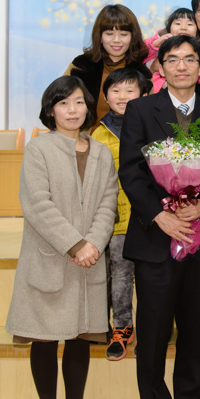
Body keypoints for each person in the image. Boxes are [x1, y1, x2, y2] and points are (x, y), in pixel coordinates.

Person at [118, 35, 200, 399]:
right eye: (173, 59)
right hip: (156, 239)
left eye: (190, 59)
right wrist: (160, 215)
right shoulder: (141, 109)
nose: (182, 66)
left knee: (196, 330)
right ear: (159, 68)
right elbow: (131, 170)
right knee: (154, 331)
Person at [5, 76, 118, 399]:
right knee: (46, 338)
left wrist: (93, 244)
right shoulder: (39, 149)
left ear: (88, 107)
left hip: (89, 260)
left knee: (80, 339)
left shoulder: (101, 151)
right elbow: (37, 205)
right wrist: (75, 244)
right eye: (63, 103)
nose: (72, 110)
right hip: (51, 258)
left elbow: (108, 203)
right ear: (51, 110)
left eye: (79, 102)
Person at [90, 67, 151, 362]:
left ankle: (150, 329)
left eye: (130, 90)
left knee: (150, 278)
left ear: (144, 94)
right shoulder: (98, 134)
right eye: (115, 90)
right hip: (115, 220)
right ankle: (122, 327)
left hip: (150, 217)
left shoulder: (153, 126)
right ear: (105, 97)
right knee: (121, 276)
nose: (122, 96)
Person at [66, 4, 152, 123]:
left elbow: (148, 115)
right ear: (100, 36)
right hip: (83, 134)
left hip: (127, 134)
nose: (116, 40)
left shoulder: (141, 73)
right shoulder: (81, 66)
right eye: (109, 34)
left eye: (123, 34)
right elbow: (60, 101)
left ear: (133, 37)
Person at [145, 8, 200, 93]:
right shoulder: (160, 41)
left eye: (189, 24)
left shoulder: (197, 48)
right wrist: (155, 44)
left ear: (197, 31)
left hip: (182, 89)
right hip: (155, 88)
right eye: (178, 23)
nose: (183, 28)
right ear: (169, 28)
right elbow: (140, 53)